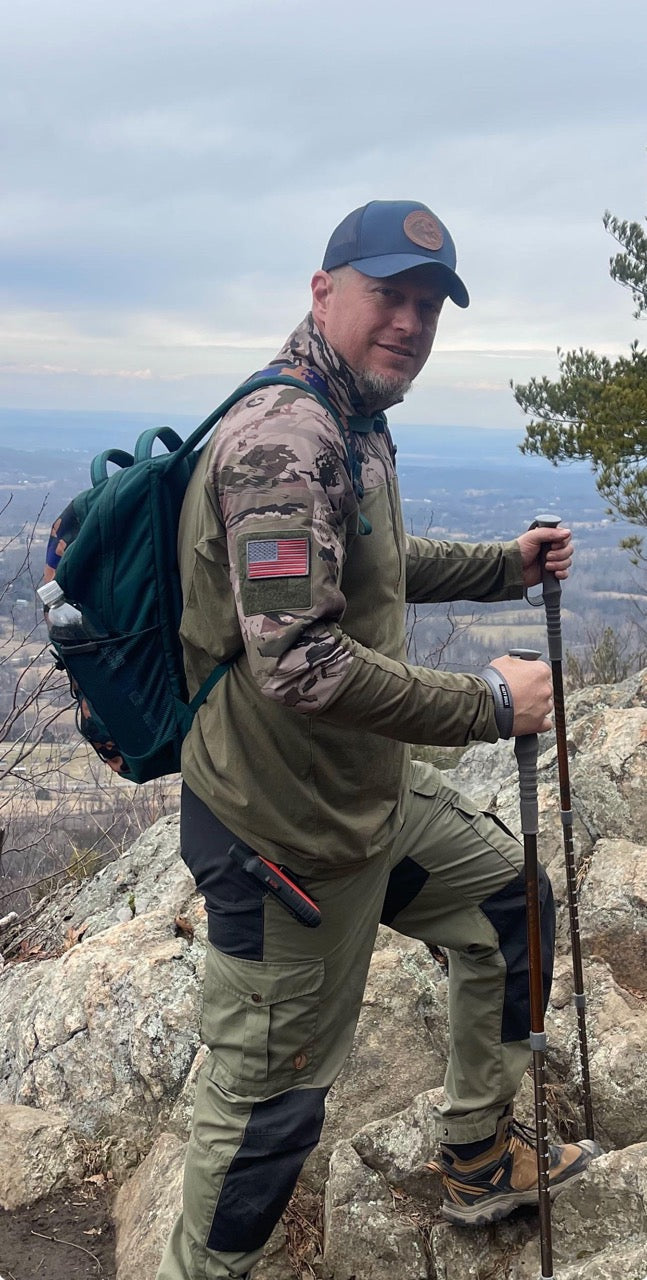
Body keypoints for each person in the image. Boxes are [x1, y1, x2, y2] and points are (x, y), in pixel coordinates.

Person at [157, 200, 599, 1280]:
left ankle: (475, 1156)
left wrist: (503, 564)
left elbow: (377, 568)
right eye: (385, 295)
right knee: (267, 1117)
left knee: (507, 905)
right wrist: (485, 705)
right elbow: (300, 661)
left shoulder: (352, 412)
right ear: (322, 293)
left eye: (424, 304)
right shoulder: (280, 441)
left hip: (362, 800)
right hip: (283, 836)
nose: (407, 321)